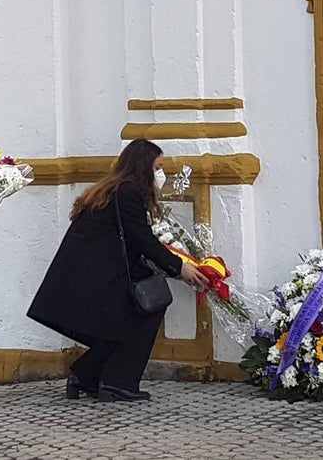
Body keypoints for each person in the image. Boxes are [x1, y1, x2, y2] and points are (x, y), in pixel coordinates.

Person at [27, 139, 208, 402]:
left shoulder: (112, 188)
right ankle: (118, 381)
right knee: (146, 309)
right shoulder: (128, 192)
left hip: (87, 272)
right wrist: (180, 267)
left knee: (118, 322)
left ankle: (86, 375)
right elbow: (142, 238)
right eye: (157, 167)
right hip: (99, 274)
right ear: (143, 167)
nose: (161, 174)